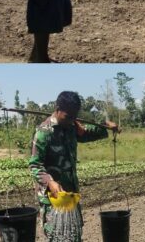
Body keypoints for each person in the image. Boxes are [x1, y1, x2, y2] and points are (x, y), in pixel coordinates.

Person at [29, 91, 118, 241]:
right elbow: (34, 165)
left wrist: (106, 127)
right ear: (57, 109)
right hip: (53, 198)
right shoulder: (44, 133)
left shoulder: (71, 127)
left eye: (74, 116)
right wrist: (50, 181)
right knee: (57, 235)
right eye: (68, 116)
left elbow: (87, 133)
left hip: (71, 194)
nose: (71, 120)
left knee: (74, 233)